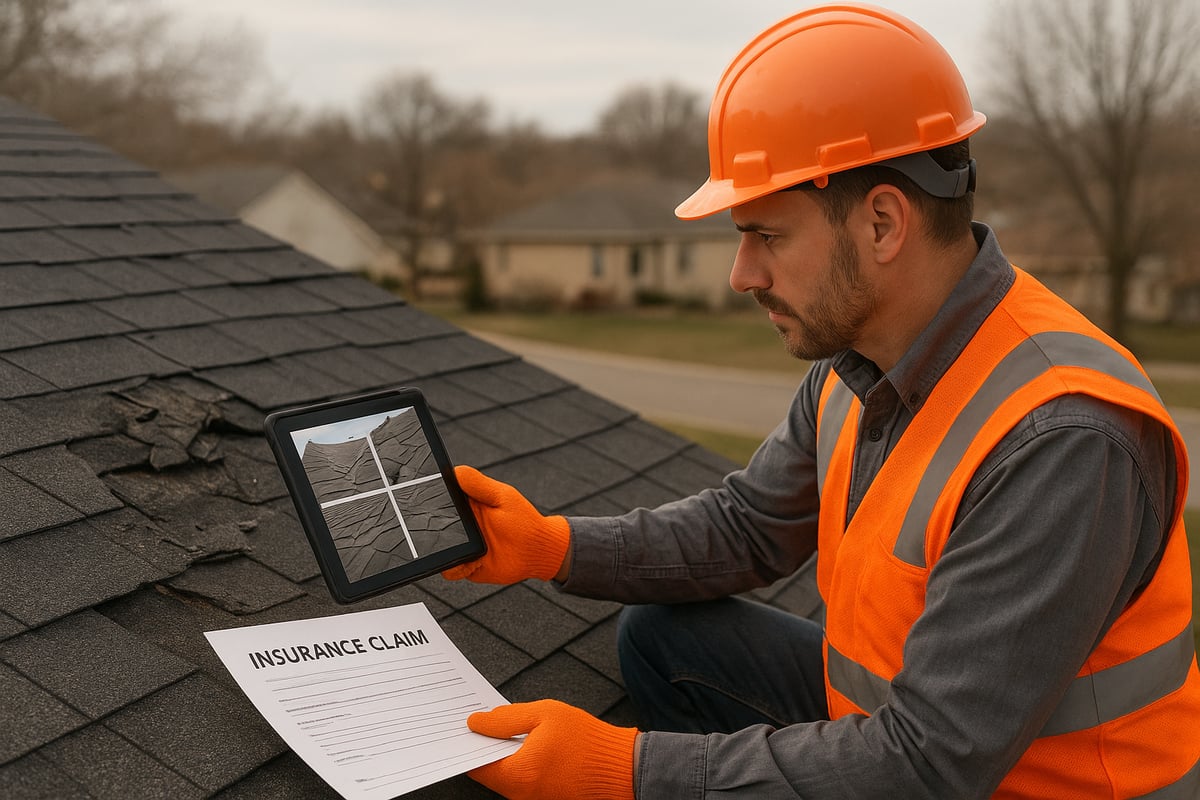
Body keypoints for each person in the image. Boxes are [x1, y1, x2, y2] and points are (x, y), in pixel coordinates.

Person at [442, 3, 1200, 798]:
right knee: (667, 637)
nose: (742, 275)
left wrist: (619, 772)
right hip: (902, 731)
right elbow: (747, 527)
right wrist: (552, 546)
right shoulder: (859, 360)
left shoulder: (1062, 439)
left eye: (766, 235)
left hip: (1018, 783)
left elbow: (927, 764)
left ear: (881, 222)